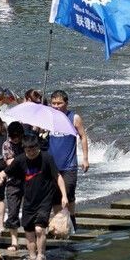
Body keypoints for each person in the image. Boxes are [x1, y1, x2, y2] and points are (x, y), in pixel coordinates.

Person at [0, 135, 67, 260]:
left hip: (44, 200)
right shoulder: (20, 160)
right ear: (24, 149)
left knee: (39, 229)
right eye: (28, 150)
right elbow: (4, 173)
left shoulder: (46, 158)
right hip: (28, 201)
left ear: (37, 147)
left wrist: (64, 195)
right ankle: (32, 257)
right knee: (29, 233)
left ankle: (41, 256)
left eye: (34, 149)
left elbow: (58, 176)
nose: (31, 153)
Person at [47, 90, 88, 226]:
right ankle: (59, 225)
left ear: (66, 103)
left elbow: (83, 137)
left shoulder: (73, 117)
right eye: (53, 103)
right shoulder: (48, 118)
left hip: (69, 165)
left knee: (69, 195)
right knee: (55, 197)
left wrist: (85, 159)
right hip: (52, 166)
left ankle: (72, 222)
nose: (56, 106)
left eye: (59, 103)